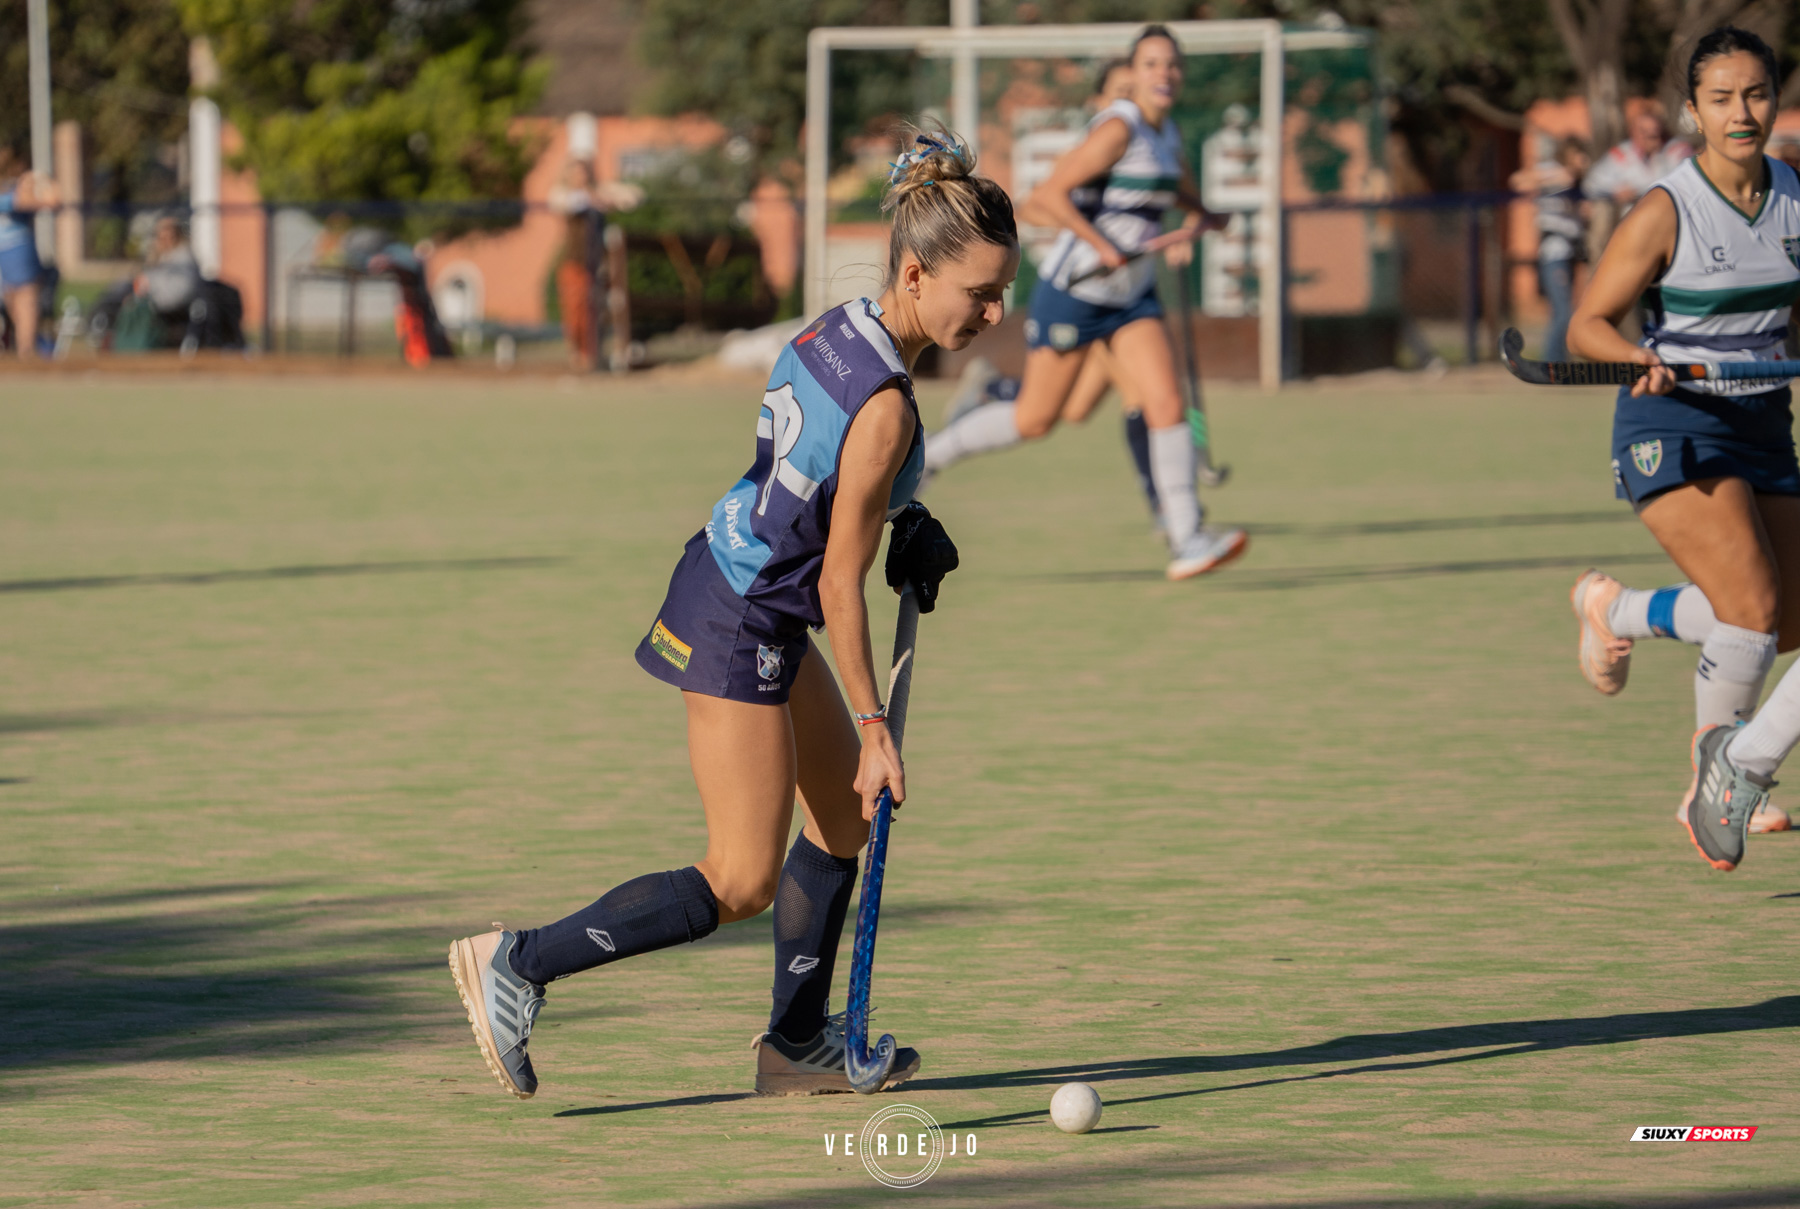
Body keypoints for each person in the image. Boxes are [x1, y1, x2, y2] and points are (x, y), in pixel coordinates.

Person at [448, 128, 1018, 1099]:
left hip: (743, 584)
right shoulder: (888, 404)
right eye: (981, 293)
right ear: (918, 273)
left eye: (1003, 292)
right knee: (742, 876)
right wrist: (874, 727)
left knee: (840, 821)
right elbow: (838, 582)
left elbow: (816, 473)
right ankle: (518, 960)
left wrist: (904, 517)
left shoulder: (841, 328)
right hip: (744, 617)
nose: (995, 313)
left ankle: (793, 1047)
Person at [1565, 27, 1800, 871]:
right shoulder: (1667, 209)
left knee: (1786, 620)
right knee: (1752, 607)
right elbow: (1587, 324)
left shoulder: (1794, 194)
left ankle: (1618, 611)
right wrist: (1636, 357)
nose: (1743, 113)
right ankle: (1726, 774)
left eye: (1757, 94)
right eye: (1722, 98)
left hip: (1763, 419)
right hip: (1673, 422)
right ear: (1693, 111)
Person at [923, 25, 1245, 580]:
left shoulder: (1167, 133)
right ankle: (930, 457)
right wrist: (1102, 244)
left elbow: (1173, 187)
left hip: (1132, 297)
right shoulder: (1119, 128)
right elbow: (1048, 196)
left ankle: (1188, 538)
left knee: (1166, 402)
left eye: (1172, 64)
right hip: (1077, 291)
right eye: (1152, 63)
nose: (1164, 73)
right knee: (1038, 418)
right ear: (1135, 72)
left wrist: (1204, 214)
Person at [944, 57, 1164, 521]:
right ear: (1099, 102)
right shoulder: (1095, 149)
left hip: (1124, 294)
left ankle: (994, 389)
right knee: (1135, 397)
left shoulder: (1148, 151)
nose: (1132, 103)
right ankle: (1167, 513)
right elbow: (1036, 206)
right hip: (1083, 293)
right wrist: (1091, 236)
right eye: (1121, 93)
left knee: (1076, 410)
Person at [1510, 137, 1590, 362]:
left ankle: (1559, 360)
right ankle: (1552, 363)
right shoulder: (1552, 170)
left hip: (1573, 249)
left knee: (1564, 311)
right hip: (1554, 250)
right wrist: (1557, 177)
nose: (1582, 160)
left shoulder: (1582, 179)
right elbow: (1517, 181)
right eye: (1578, 155)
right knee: (1563, 312)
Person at [0, 159, 58, 359]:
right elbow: (50, 201)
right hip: (11, 253)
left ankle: (26, 350)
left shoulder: (13, 194)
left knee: (25, 301)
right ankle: (26, 349)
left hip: (18, 251)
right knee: (17, 302)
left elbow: (53, 202)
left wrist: (41, 181)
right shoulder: (10, 195)